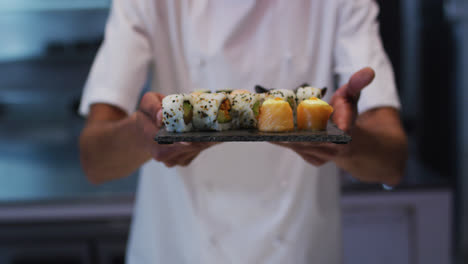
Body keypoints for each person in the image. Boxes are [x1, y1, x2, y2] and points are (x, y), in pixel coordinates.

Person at [79, 0, 408, 263]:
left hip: (296, 251)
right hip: (180, 250)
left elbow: (391, 164)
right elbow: (95, 161)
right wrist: (142, 134)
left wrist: (345, 140)